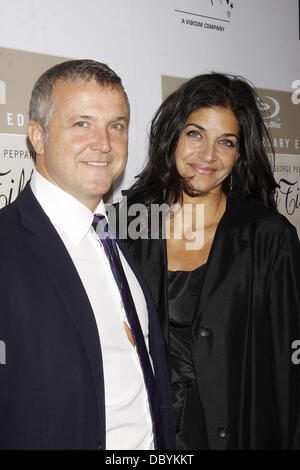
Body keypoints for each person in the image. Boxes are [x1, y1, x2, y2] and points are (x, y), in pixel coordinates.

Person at [0, 59, 175, 450]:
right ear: (38, 137)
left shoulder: (120, 239)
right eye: (82, 123)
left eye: (117, 125)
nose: (104, 143)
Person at [122, 73, 300, 449]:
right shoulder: (131, 221)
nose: (208, 155)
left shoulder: (267, 235)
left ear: (239, 154)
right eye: (195, 134)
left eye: (226, 142)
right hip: (148, 434)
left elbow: (288, 369)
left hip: (236, 431)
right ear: (173, 135)